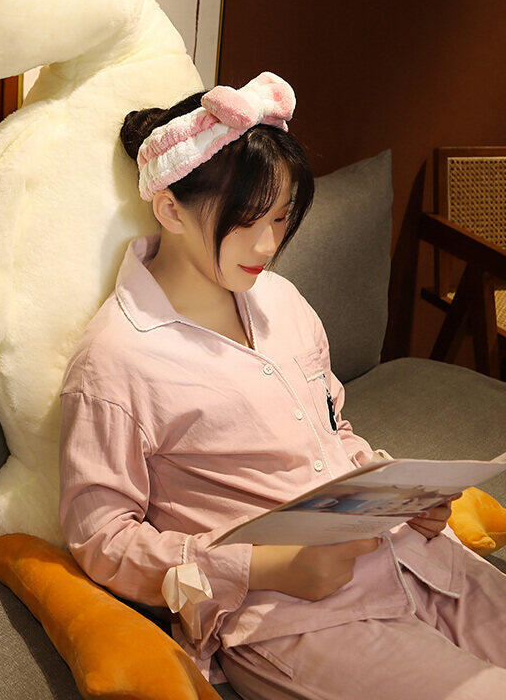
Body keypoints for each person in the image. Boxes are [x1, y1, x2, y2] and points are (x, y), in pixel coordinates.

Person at [57, 71, 506, 699]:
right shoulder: (115, 361)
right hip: (290, 616)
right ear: (169, 208)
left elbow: (331, 429)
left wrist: (398, 496)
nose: (269, 245)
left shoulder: (282, 299)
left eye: (281, 218)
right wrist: (267, 566)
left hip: (414, 558)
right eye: (248, 221)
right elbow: (102, 540)